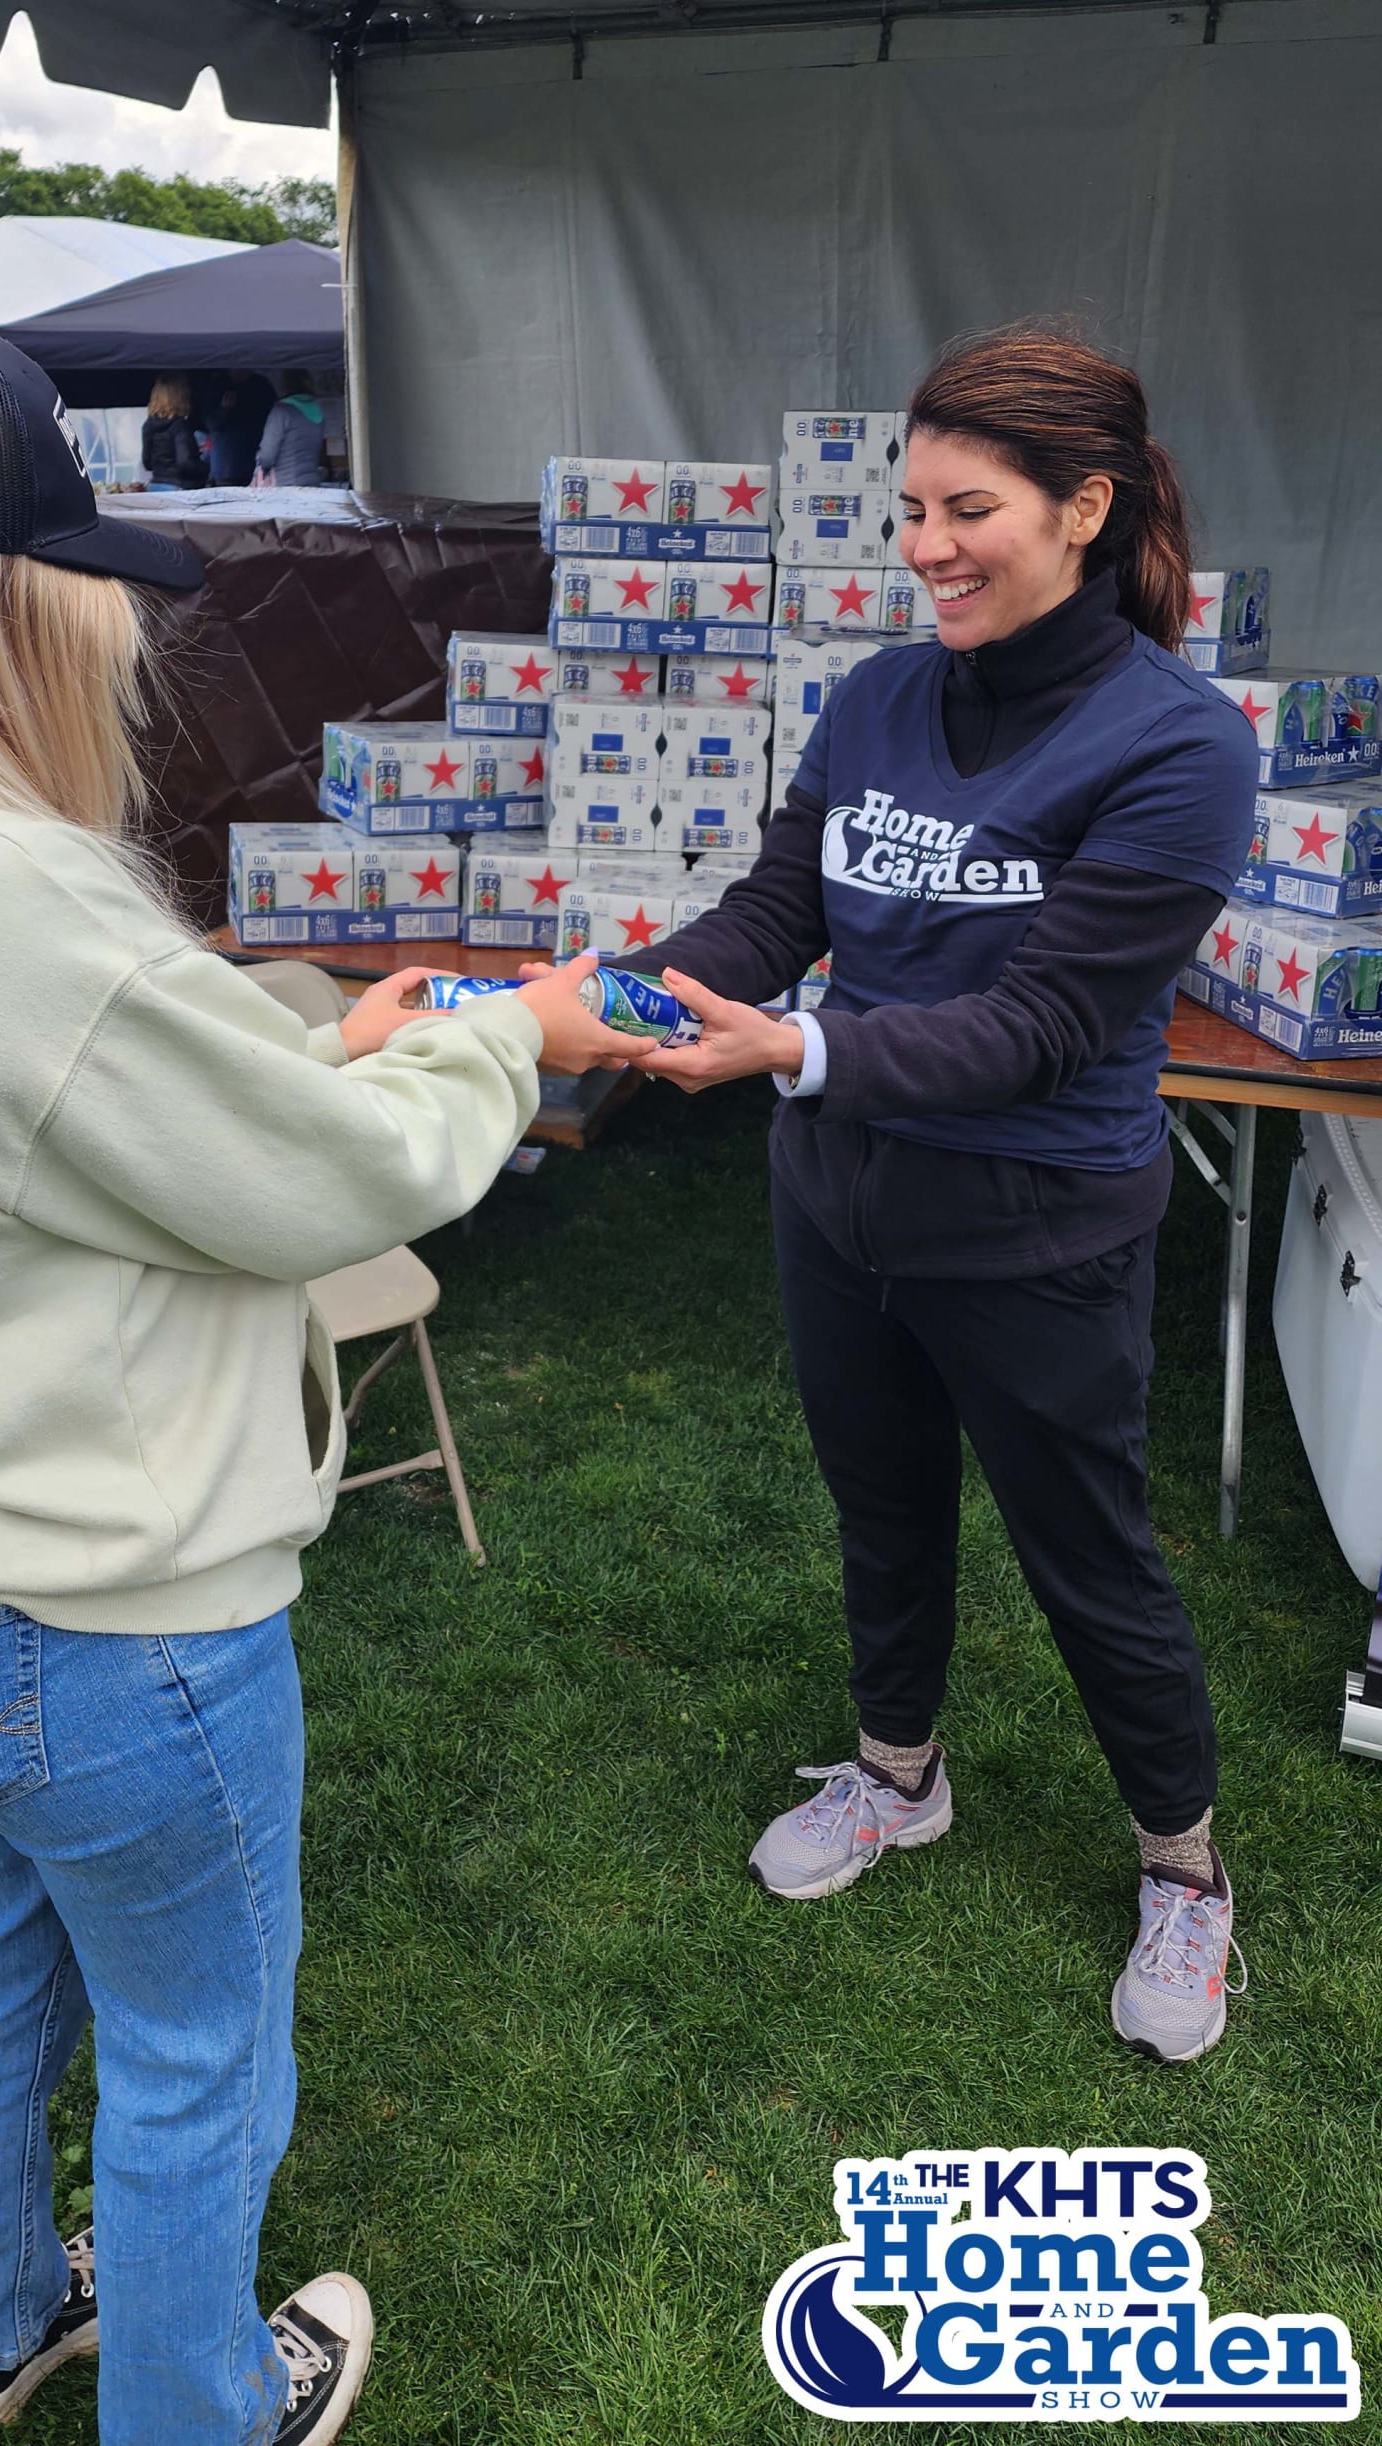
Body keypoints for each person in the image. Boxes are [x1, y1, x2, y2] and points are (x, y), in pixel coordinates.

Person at [0, 299, 627, 2446]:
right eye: (69, 579)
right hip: (105, 1611)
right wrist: (505, 1037)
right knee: (193, 2050)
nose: (107, 632)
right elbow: (333, 1183)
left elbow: (42, 1101)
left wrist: (301, 1036)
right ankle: (201, 2405)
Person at [621, 328, 1258, 2063]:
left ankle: (1184, 1869)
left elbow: (1044, 1026)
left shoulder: (1183, 746)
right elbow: (778, 911)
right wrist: (624, 993)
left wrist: (797, 1051)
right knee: (882, 1509)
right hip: (841, 1204)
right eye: (909, 511)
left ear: (1084, 508)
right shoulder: (880, 696)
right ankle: (898, 1774)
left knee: (1092, 1561)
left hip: (1035, 1228)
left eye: (967, 510)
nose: (925, 547)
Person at [255, 371, 331, 489]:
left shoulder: (281, 411)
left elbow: (267, 455)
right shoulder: (317, 409)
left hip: (285, 485)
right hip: (312, 481)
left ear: (284, 386)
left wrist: (260, 466)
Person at [205, 370, 274, 486]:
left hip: (252, 458)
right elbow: (210, 423)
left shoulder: (260, 384)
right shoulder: (219, 385)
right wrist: (224, 408)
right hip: (226, 463)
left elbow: (271, 417)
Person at [141, 372, 206, 490]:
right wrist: (204, 466)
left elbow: (147, 463)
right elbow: (185, 462)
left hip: (155, 485)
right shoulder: (180, 426)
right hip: (179, 486)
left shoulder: (148, 425)